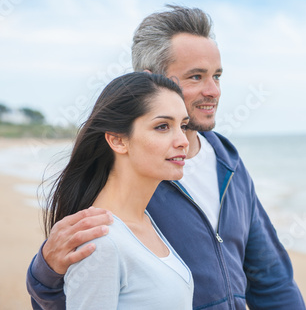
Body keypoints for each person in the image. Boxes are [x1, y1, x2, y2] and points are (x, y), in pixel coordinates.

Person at [27, 5, 306, 309]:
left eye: (217, 76)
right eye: (196, 76)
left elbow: (271, 279)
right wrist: (46, 270)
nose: (213, 91)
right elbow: (77, 286)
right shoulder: (135, 176)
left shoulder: (230, 164)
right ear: (151, 80)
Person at [43, 72, 193, 308]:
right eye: (163, 126)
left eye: (183, 126)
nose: (183, 140)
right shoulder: (100, 242)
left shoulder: (145, 222)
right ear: (118, 141)